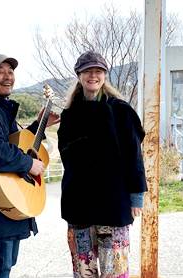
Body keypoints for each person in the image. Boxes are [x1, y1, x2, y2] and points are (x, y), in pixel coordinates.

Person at [0, 54, 60, 278]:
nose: (8, 76)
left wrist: (39, 125)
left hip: (6, 201)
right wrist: (28, 164)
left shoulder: (0, 108)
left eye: (10, 71)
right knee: (0, 268)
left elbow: (15, 141)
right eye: (0, 71)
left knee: (4, 265)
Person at [57, 50, 148, 277]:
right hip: (78, 202)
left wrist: (136, 195)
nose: (93, 76)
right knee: (83, 266)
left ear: (105, 75)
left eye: (98, 71)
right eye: (87, 71)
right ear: (79, 75)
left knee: (114, 268)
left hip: (113, 201)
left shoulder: (121, 110)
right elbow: (65, 155)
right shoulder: (69, 114)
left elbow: (134, 155)